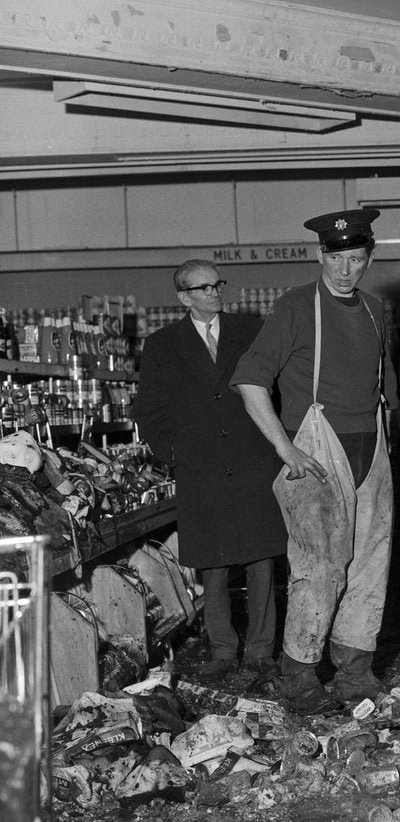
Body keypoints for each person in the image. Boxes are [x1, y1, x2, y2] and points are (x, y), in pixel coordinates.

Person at [232, 209, 397, 714]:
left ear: (368, 258)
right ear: (319, 254)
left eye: (356, 259)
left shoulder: (374, 310)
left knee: (371, 563)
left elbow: (386, 386)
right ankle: (299, 673)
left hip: (372, 449)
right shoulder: (297, 306)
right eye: (336, 258)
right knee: (319, 567)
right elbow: (250, 380)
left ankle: (354, 669)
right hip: (317, 450)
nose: (345, 270)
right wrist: (285, 448)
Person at [134, 259, 286, 681]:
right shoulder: (163, 345)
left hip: (254, 460)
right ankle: (222, 650)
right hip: (200, 467)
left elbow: (279, 385)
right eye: (202, 288)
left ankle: (261, 651)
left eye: (217, 284)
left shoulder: (251, 331)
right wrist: (175, 451)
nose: (214, 292)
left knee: (262, 562)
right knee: (212, 565)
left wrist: (278, 443)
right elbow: (148, 408)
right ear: (184, 297)